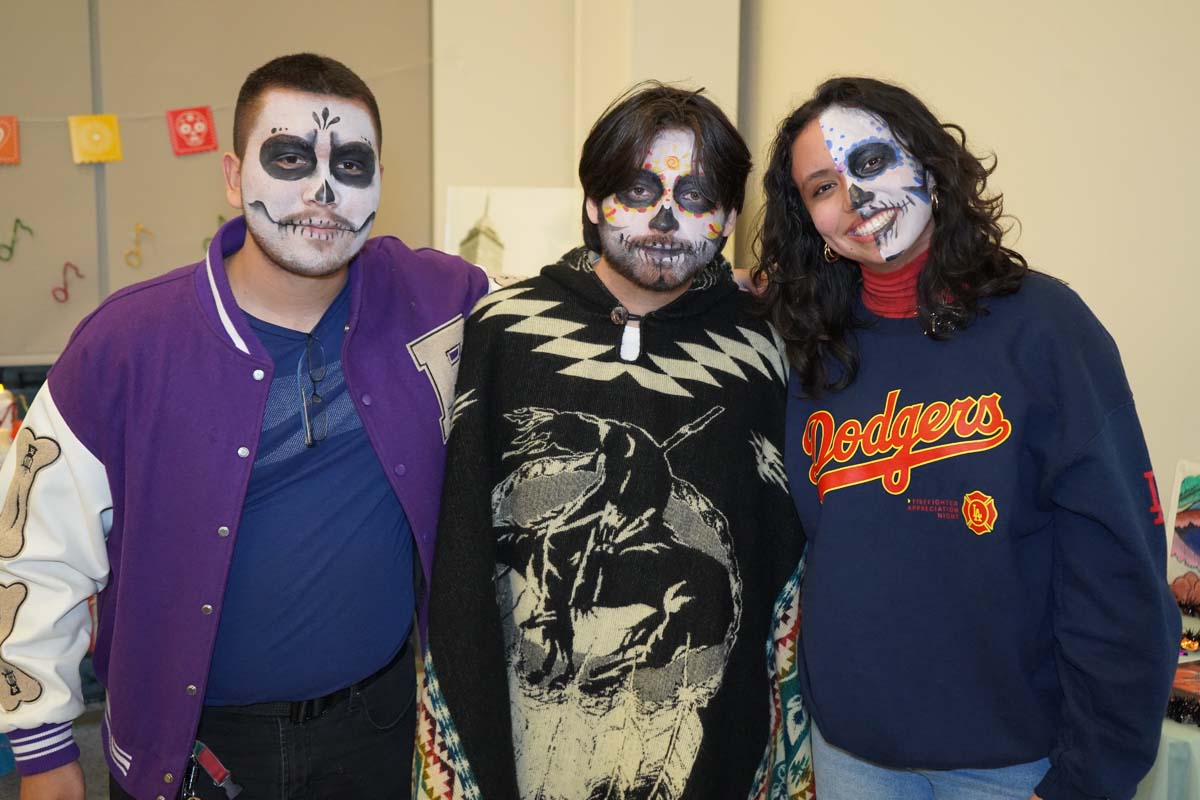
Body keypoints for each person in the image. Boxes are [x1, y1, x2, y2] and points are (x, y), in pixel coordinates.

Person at [0, 53, 487, 800]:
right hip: (194, 747)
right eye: (289, 158)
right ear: (232, 176)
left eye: (351, 164)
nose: (323, 190)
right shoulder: (126, 346)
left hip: (381, 731)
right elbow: (36, 555)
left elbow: (565, 315)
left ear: (381, 181)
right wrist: (43, 751)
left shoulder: (438, 301)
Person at [754, 76, 1180, 800]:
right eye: (823, 187)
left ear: (929, 163)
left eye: (870, 162)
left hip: (1012, 764)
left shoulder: (1046, 329)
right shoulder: (809, 343)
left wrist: (1092, 773)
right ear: (809, 219)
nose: (854, 197)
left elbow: (1118, 565)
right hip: (850, 751)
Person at [411, 84, 812, 800]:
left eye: (695, 195)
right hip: (520, 726)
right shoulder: (508, 330)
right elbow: (465, 538)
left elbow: (779, 554)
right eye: (638, 190)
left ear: (728, 216)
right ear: (595, 202)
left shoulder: (761, 348)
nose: (666, 218)